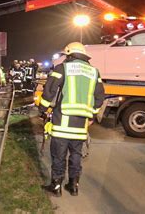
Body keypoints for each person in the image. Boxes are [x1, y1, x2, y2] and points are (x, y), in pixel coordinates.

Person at [39, 42, 105, 197]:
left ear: (69, 54)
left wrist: (42, 109)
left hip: (62, 122)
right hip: (81, 126)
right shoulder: (94, 72)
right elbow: (99, 97)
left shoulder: (63, 68)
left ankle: (56, 187)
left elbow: (49, 91)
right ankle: (74, 185)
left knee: (58, 156)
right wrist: (92, 115)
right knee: (76, 156)